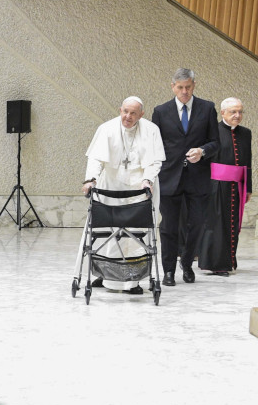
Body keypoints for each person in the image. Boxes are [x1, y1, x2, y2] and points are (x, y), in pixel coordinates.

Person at [79, 97, 165, 293]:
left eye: (133, 113)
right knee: (106, 232)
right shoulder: (106, 128)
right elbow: (95, 158)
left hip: (140, 188)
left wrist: (148, 180)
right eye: (125, 111)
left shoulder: (152, 130)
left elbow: (154, 162)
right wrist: (90, 179)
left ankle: (131, 281)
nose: (128, 116)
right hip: (111, 184)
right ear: (120, 110)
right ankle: (104, 274)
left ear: (141, 115)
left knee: (134, 235)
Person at [150, 68, 220, 286]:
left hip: (198, 177)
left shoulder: (207, 108)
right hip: (169, 177)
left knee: (196, 224)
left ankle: (187, 264)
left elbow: (216, 142)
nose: (184, 91)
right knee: (169, 227)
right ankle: (169, 270)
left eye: (188, 87)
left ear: (194, 85)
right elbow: (154, 146)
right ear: (173, 87)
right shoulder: (160, 111)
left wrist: (202, 151)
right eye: (180, 87)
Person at [198, 98, 252, 275]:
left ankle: (229, 261)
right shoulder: (212, 131)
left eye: (240, 112)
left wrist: (248, 187)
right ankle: (216, 264)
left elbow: (247, 162)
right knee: (217, 224)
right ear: (223, 113)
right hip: (216, 185)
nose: (237, 115)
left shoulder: (246, 133)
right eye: (233, 112)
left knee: (233, 224)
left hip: (237, 186)